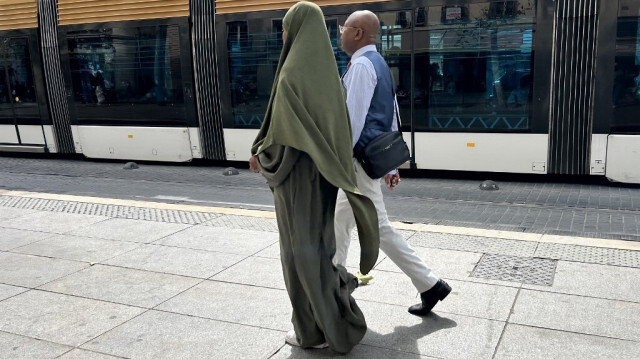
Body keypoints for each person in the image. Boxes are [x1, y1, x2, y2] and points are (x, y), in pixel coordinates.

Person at [248, 2, 380, 354]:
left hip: (295, 187)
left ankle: (316, 331)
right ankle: (330, 320)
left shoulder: (291, 75)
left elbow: (284, 147)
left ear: (298, 29)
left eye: (286, 26)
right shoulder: (328, 76)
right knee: (320, 250)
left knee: (298, 256)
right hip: (321, 180)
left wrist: (261, 156)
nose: (283, 33)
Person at [333, 10, 452, 317]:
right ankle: (335, 279)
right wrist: (391, 166)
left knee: (377, 227)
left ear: (358, 33)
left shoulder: (361, 65)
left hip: (357, 162)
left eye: (344, 28)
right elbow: (390, 117)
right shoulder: (380, 64)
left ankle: (431, 283)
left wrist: (339, 160)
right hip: (366, 161)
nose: (341, 33)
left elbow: (352, 121)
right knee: (339, 221)